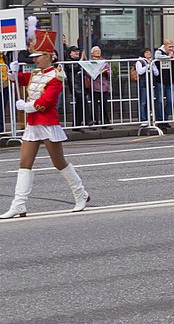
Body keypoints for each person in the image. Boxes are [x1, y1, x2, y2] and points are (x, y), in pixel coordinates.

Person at [1, 33, 90, 218]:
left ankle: (80, 194)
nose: (35, 60)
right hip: (33, 125)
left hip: (48, 123)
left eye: (38, 56)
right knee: (24, 163)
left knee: (59, 162)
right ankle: (19, 204)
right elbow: (18, 80)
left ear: (49, 56)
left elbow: (47, 101)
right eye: (34, 57)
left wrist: (26, 106)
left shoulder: (56, 77)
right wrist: (12, 72)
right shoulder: (35, 73)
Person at [153, 38, 174, 130]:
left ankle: (165, 119)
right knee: (159, 101)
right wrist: (169, 57)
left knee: (171, 101)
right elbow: (157, 57)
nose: (171, 48)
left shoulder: (172, 52)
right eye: (169, 47)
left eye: (172, 47)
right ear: (165, 46)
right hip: (160, 80)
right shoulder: (159, 51)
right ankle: (160, 120)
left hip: (170, 80)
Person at [82, 46, 112, 127]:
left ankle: (106, 123)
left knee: (105, 105)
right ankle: (94, 122)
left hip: (104, 86)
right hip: (94, 86)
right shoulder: (90, 62)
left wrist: (106, 72)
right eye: (96, 51)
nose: (98, 52)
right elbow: (88, 72)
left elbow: (109, 71)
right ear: (92, 53)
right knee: (94, 105)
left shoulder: (104, 61)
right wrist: (98, 72)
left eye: (99, 50)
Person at [61, 46, 86, 128]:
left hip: (81, 85)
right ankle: (87, 120)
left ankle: (77, 124)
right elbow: (74, 68)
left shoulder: (77, 61)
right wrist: (81, 60)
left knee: (80, 104)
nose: (77, 53)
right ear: (70, 53)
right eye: (74, 51)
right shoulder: (68, 62)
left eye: (78, 51)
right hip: (74, 86)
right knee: (82, 102)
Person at [135, 49, 160, 125]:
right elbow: (140, 71)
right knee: (143, 102)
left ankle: (150, 118)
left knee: (150, 101)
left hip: (151, 83)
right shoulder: (140, 61)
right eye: (146, 52)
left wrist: (151, 65)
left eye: (149, 52)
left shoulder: (153, 62)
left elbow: (156, 73)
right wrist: (147, 65)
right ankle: (143, 119)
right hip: (143, 83)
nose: (149, 53)